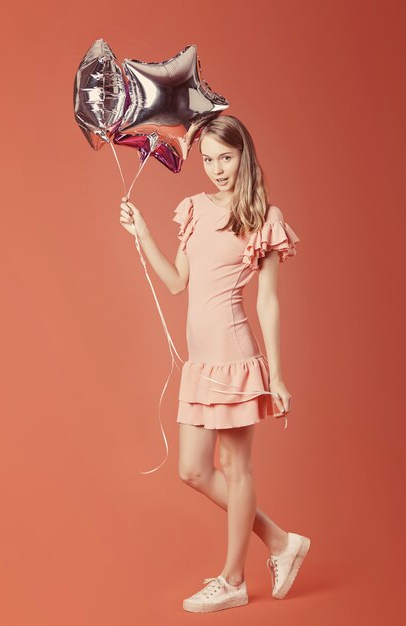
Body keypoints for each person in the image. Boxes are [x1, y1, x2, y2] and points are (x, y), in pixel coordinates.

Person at [119, 115, 311, 613]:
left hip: (235, 357)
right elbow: (178, 282)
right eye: (207, 159)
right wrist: (141, 231)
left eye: (226, 158)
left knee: (235, 468)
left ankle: (233, 580)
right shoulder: (194, 210)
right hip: (199, 363)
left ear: (244, 155)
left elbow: (268, 302)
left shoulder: (262, 215)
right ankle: (282, 542)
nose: (217, 169)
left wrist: (279, 373)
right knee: (192, 469)